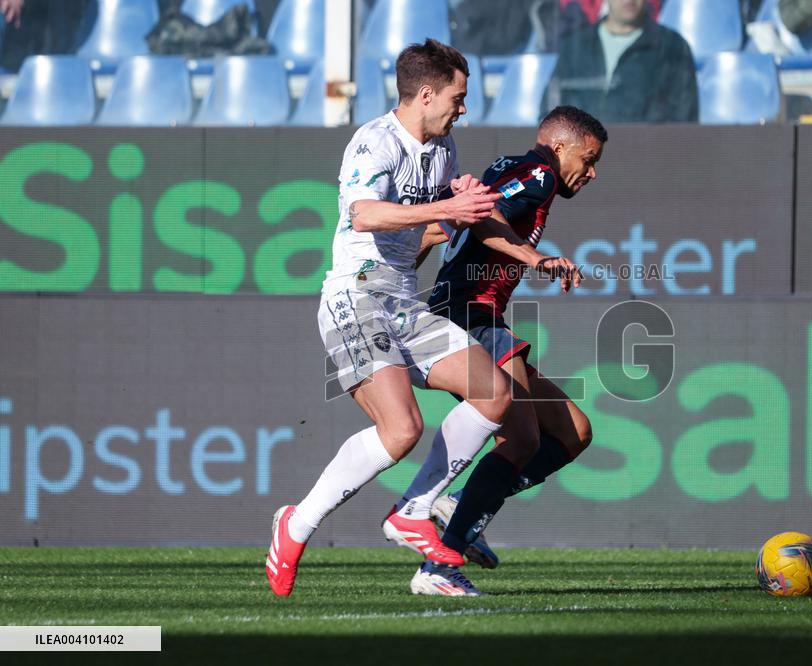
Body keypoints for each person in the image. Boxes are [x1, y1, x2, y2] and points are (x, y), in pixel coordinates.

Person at [266, 39, 512, 599]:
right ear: (425, 94)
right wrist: (446, 208)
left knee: (495, 394)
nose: (463, 107)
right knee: (401, 430)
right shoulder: (372, 142)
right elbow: (364, 214)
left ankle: (414, 510)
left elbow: (424, 228)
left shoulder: (442, 145)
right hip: (355, 297)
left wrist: (459, 198)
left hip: (401, 300)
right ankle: (296, 525)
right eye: (458, 96)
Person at [399, 105, 606, 591]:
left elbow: (454, 221)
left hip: (479, 316)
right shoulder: (537, 175)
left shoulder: (525, 174)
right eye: (589, 159)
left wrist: (413, 259)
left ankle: (462, 505)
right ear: (560, 148)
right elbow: (483, 213)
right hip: (468, 316)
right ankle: (440, 563)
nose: (592, 172)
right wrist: (537, 258)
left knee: (574, 430)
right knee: (524, 438)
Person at [552, 0, 697, 123]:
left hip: (646, 152)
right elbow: (551, 113)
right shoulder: (575, 48)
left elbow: (684, 121)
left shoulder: (672, 48)